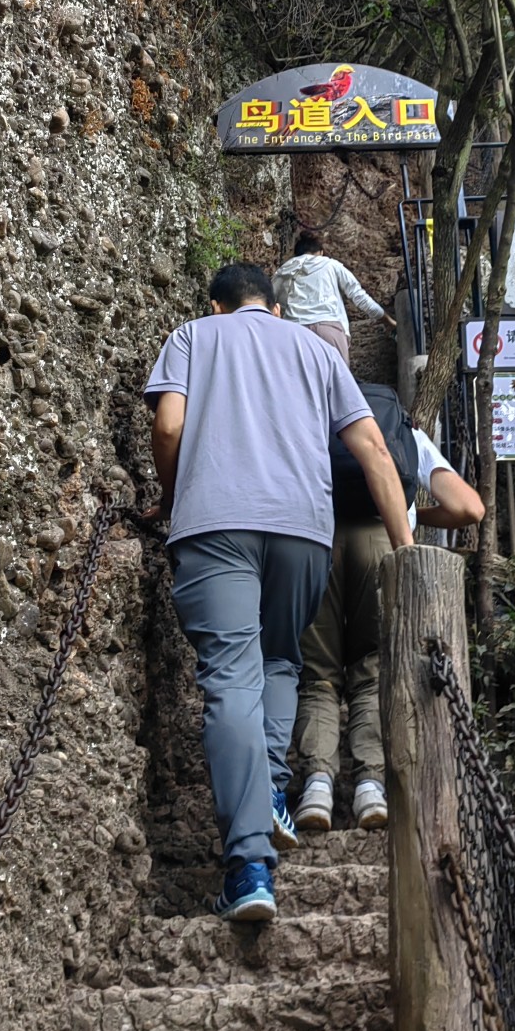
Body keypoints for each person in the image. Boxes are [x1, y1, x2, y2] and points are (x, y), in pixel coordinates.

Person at [144, 262, 411, 924]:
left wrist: (172, 497)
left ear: (215, 304)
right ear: (279, 308)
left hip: (217, 527)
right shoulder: (315, 353)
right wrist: (406, 552)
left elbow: (170, 428)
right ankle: (266, 794)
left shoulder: (193, 337)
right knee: (281, 662)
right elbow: (374, 449)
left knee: (231, 679)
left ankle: (248, 867)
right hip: (303, 534)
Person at [294, 390, 484, 833]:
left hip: (315, 539)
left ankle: (317, 787)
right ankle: (370, 789)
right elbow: (470, 507)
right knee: (373, 669)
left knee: (317, 674)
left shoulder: (303, 412)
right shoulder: (403, 433)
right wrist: (411, 514)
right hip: (382, 540)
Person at [273, 228, 396, 365]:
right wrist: (387, 321)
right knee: (338, 384)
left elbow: (268, 302)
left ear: (296, 254)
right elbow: (359, 296)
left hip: (294, 333)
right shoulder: (331, 265)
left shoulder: (284, 270)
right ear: (320, 252)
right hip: (328, 330)